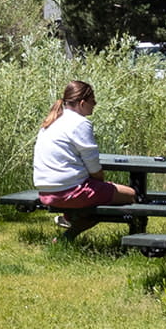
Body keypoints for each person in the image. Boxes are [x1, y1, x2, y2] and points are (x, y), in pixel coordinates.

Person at [34, 81, 138, 224]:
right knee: (131, 194)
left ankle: (70, 219)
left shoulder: (51, 121)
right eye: (92, 100)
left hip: (45, 192)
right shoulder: (80, 123)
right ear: (82, 103)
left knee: (105, 191)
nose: (95, 103)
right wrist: (101, 183)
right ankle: (70, 232)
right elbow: (94, 167)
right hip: (70, 192)